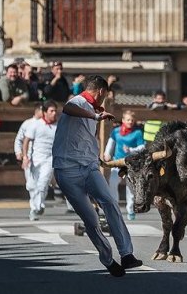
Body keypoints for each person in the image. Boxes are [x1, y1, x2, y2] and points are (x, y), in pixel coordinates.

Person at [52, 75, 142, 277]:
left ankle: (126, 254)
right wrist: (94, 116)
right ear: (101, 91)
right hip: (67, 172)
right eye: (105, 95)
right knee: (91, 220)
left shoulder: (91, 108)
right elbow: (67, 109)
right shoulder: (78, 102)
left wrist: (95, 113)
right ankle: (108, 260)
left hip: (88, 167)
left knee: (109, 202)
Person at [103, 110, 145, 221]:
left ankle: (130, 209)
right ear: (123, 120)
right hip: (118, 162)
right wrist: (107, 154)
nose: (130, 122)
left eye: (132, 120)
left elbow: (142, 147)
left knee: (130, 187)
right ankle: (115, 207)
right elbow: (110, 144)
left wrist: (131, 150)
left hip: (131, 164)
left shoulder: (137, 133)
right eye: (128, 120)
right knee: (112, 181)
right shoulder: (116, 132)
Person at [21, 101, 58, 221]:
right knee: (32, 185)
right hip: (36, 159)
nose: (54, 113)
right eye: (51, 111)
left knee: (42, 183)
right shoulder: (35, 125)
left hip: (50, 159)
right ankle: (38, 205)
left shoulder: (58, 126)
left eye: (55, 111)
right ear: (44, 112)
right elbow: (26, 141)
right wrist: (25, 157)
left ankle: (35, 209)